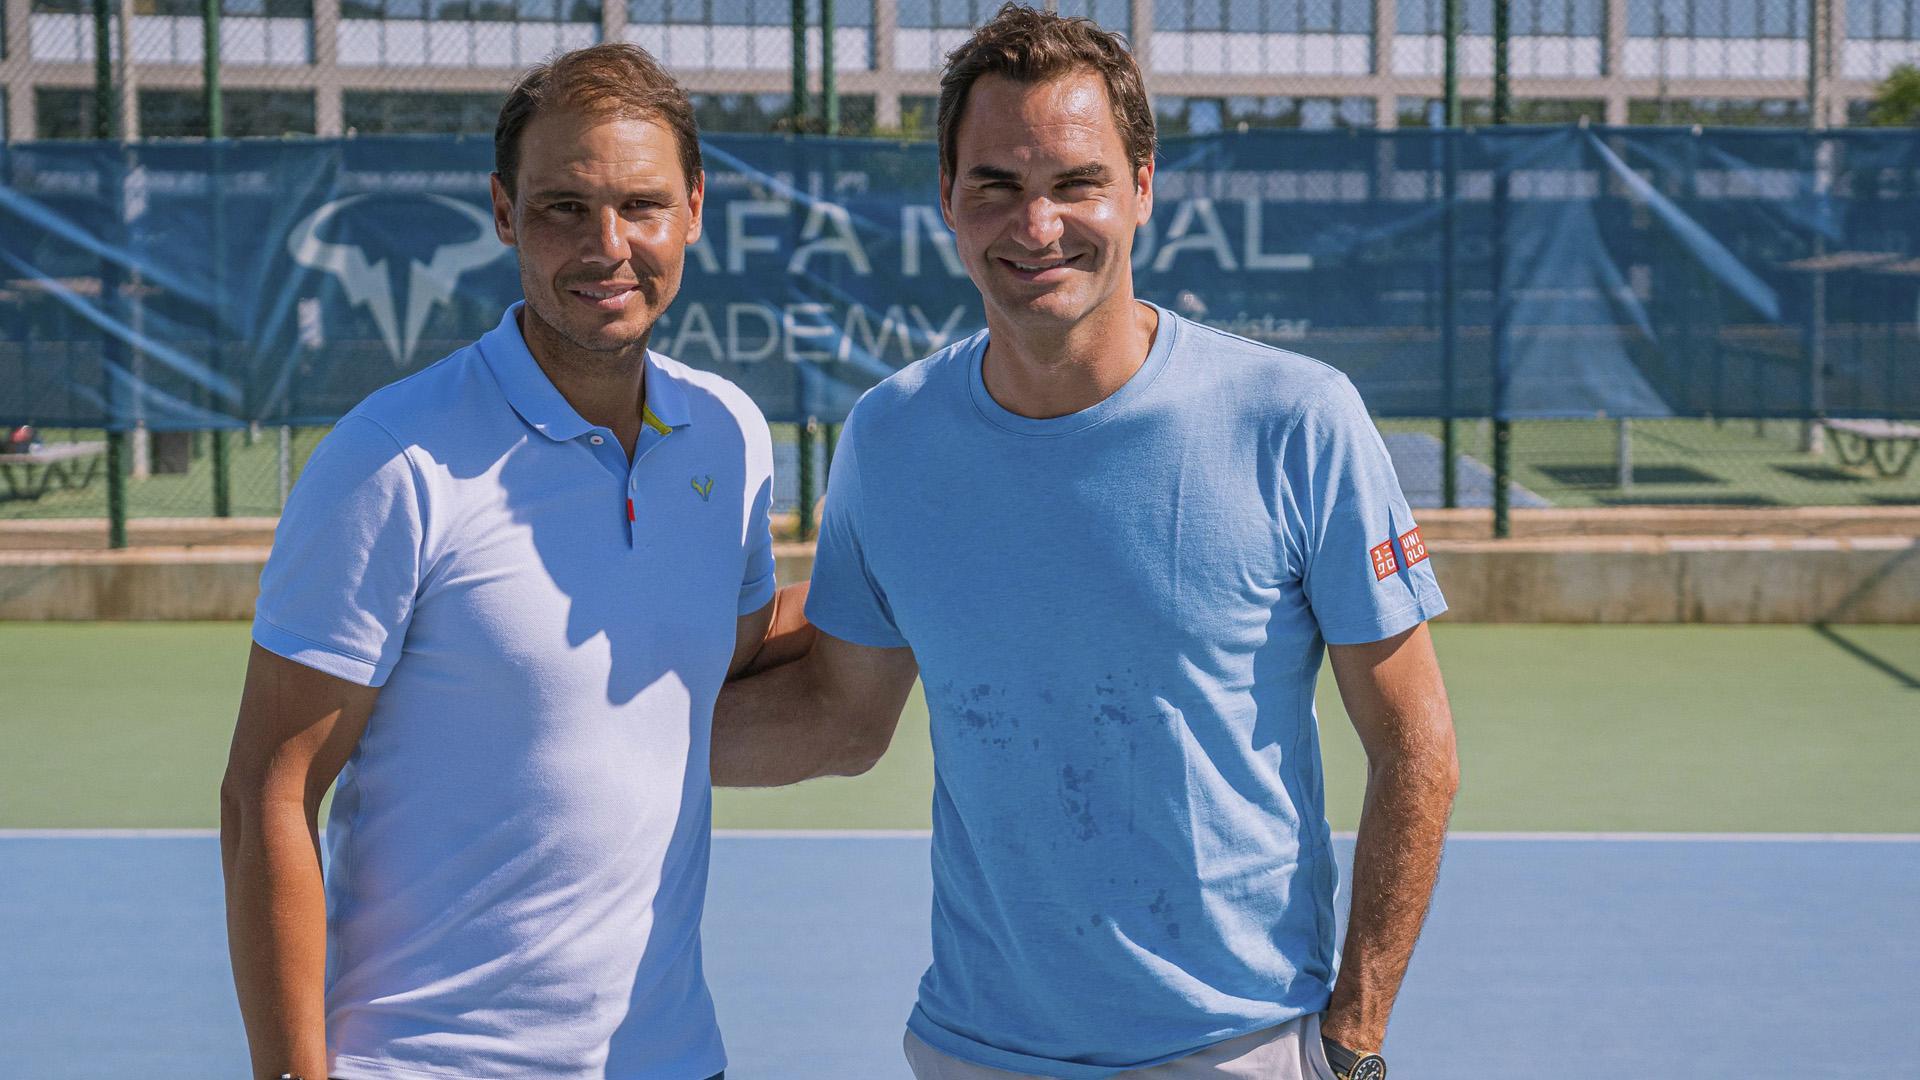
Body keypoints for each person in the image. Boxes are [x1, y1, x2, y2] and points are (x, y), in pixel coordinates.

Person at [712, 6, 1459, 1079]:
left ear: (1142, 188)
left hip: (1238, 1048)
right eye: (998, 188)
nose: (1038, 225)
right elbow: (840, 718)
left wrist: (1353, 1037)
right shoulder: (893, 435)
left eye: (1076, 183)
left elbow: (1417, 749)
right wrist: (571, 745)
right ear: (948, 203)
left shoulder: (1299, 418)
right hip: (973, 1050)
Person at [220, 43, 806, 1080]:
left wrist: (921, 585)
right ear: (503, 212)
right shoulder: (389, 461)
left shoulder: (731, 435)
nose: (608, 245)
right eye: (563, 208)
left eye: (641, 204)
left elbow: (727, 650)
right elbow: (271, 789)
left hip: (676, 1060)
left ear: (695, 210)